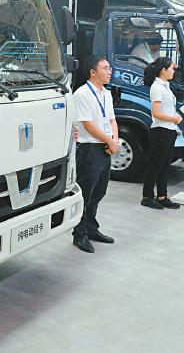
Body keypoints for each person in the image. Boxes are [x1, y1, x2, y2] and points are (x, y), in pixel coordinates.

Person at [72, 56, 119, 254]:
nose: (110, 72)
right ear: (93, 72)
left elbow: (112, 120)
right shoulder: (82, 94)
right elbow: (88, 125)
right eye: (105, 68)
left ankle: (92, 228)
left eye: (110, 68)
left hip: (105, 147)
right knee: (85, 193)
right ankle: (79, 233)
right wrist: (109, 141)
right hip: (89, 149)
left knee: (99, 192)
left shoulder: (106, 94)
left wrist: (114, 140)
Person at [141, 57, 182, 209]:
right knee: (155, 165)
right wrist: (173, 118)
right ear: (163, 70)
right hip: (160, 131)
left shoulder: (166, 86)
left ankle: (162, 196)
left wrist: (175, 117)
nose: (174, 71)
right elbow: (156, 113)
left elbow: (167, 108)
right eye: (172, 68)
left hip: (170, 129)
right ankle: (147, 196)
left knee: (164, 166)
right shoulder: (157, 87)